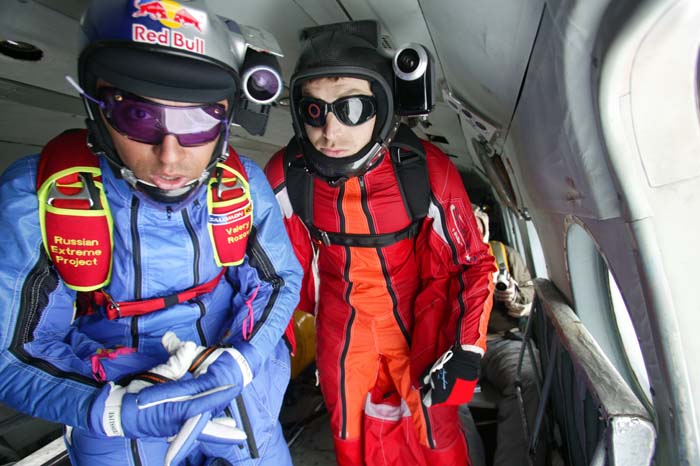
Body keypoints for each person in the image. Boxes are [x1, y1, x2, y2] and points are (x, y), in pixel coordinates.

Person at [0, 1, 302, 465]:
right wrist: (110, 410)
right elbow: (13, 351)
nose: (170, 156)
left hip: (234, 381)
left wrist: (244, 361)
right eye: (139, 117)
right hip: (113, 396)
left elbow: (277, 281)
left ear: (225, 119)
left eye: (198, 120)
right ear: (97, 109)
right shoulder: (42, 196)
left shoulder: (241, 185)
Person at [265, 20, 495, 465]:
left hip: (418, 322)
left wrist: (467, 349)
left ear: (383, 105)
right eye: (314, 110)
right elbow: (249, 258)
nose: (330, 132)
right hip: (340, 328)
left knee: (436, 435)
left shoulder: (423, 168)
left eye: (351, 109)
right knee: (348, 435)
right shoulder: (288, 173)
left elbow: (473, 263)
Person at [470, 205, 544, 466]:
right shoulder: (440, 258)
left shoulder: (504, 255)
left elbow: (530, 296)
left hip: (502, 340)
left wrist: (512, 297)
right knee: (441, 395)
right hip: (457, 345)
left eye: (477, 225)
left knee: (527, 381)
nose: (472, 230)